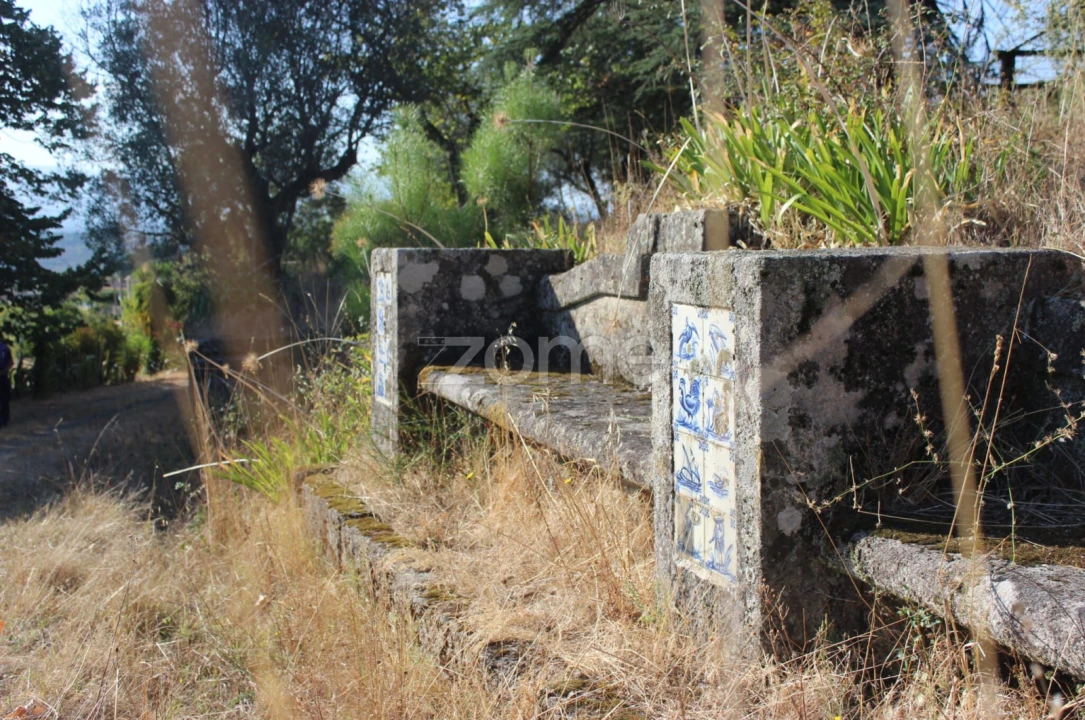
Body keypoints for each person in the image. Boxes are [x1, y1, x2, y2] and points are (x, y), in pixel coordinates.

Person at [0, 337, 12, 428]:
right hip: (3, 375)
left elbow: (10, 362)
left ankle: (4, 419)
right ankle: (4, 419)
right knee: (4, 399)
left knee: (4, 398)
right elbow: (10, 363)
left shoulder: (4, 348)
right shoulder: (5, 347)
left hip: (3, 376)